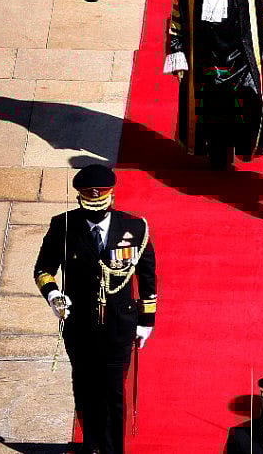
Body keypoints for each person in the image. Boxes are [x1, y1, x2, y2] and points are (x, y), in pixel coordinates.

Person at [34, 164, 157, 454]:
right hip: (80, 327)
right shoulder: (63, 227)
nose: (96, 211)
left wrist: (146, 320)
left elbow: (148, 275)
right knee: (85, 388)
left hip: (118, 324)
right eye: (90, 205)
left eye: (100, 204)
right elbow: (44, 269)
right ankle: (91, 446)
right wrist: (53, 296)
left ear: (111, 198)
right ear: (80, 199)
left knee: (113, 391)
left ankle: (113, 451)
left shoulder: (134, 228)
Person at [163, 0, 263, 170]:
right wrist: (177, 52)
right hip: (205, 58)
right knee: (210, 112)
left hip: (242, 58)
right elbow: (177, 18)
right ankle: (216, 155)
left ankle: (242, 148)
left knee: (245, 109)